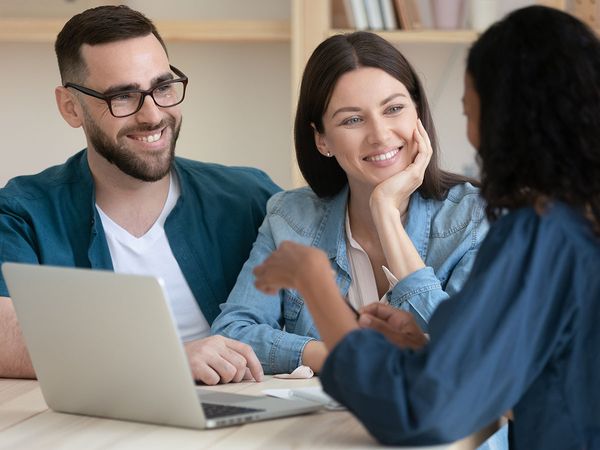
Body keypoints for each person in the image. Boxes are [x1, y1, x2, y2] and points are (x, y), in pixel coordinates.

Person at [253, 5, 600, 449]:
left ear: (507, 123)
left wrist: (315, 284)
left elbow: (420, 412)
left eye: (470, 114)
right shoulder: (576, 221)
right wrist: (428, 347)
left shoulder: (539, 234)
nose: (471, 136)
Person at [0, 5, 280, 386]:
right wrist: (166, 360)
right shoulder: (23, 213)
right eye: (123, 96)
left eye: (163, 88)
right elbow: (4, 337)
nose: (151, 115)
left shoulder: (251, 199)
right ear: (71, 107)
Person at [212, 31, 487, 374]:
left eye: (394, 109)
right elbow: (232, 333)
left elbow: (473, 353)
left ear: (417, 112)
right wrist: (331, 353)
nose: (380, 135)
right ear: (322, 139)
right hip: (326, 424)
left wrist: (385, 212)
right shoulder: (291, 217)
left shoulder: (475, 217)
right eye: (352, 119)